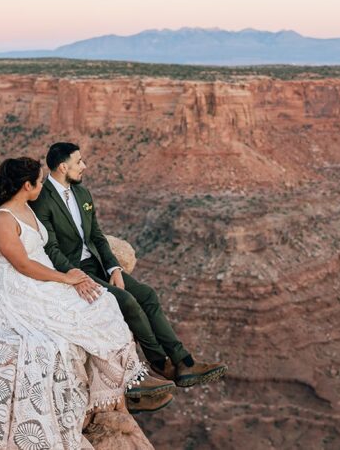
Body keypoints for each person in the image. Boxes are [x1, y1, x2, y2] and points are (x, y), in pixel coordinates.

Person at [0, 157, 172, 449]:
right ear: (27, 185)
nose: (43, 185)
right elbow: (23, 264)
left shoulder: (28, 208)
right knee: (58, 336)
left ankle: (126, 381)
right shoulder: (3, 219)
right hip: (22, 288)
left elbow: (50, 246)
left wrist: (75, 269)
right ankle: (125, 385)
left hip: (46, 278)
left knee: (103, 304)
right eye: (39, 181)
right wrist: (65, 279)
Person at [32, 142, 227, 393]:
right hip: (73, 270)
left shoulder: (82, 193)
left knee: (147, 295)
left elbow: (98, 236)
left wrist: (114, 268)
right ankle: (161, 363)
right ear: (62, 166)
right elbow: (52, 248)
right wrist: (76, 277)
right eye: (79, 162)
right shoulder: (42, 199)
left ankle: (185, 362)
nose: (84, 166)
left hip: (97, 263)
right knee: (126, 301)